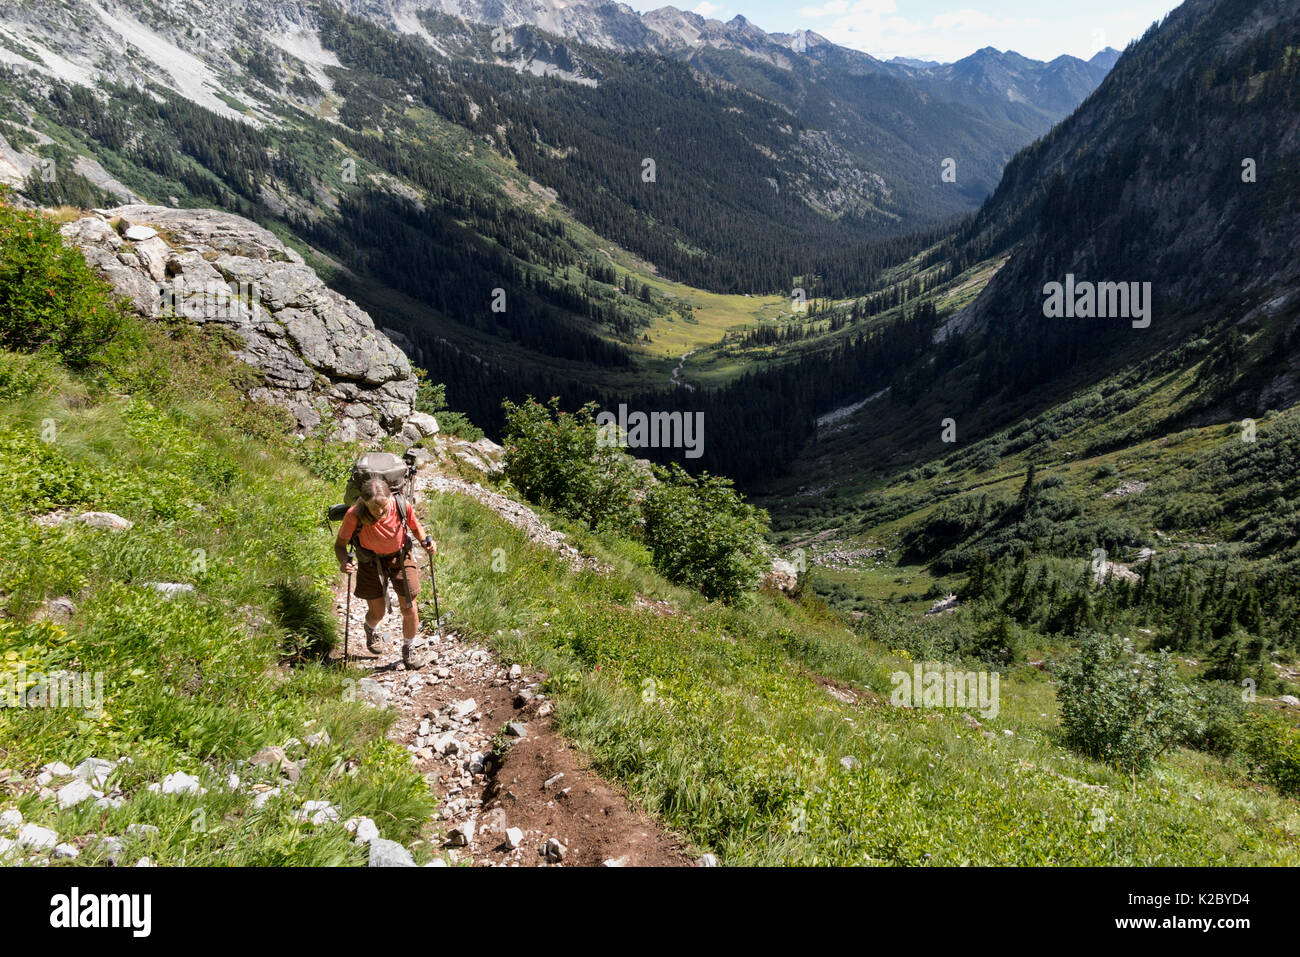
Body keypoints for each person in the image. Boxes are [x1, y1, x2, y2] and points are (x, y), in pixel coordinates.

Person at [334, 477, 436, 669]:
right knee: (377, 612)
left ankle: (409, 648)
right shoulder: (354, 514)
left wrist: (425, 542)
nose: (380, 511)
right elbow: (340, 546)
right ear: (364, 502)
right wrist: (344, 562)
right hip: (370, 561)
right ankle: (370, 628)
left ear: (390, 497)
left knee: (410, 607)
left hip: (400, 557)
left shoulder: (400, 505)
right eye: (374, 508)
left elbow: (415, 527)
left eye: (383, 506)